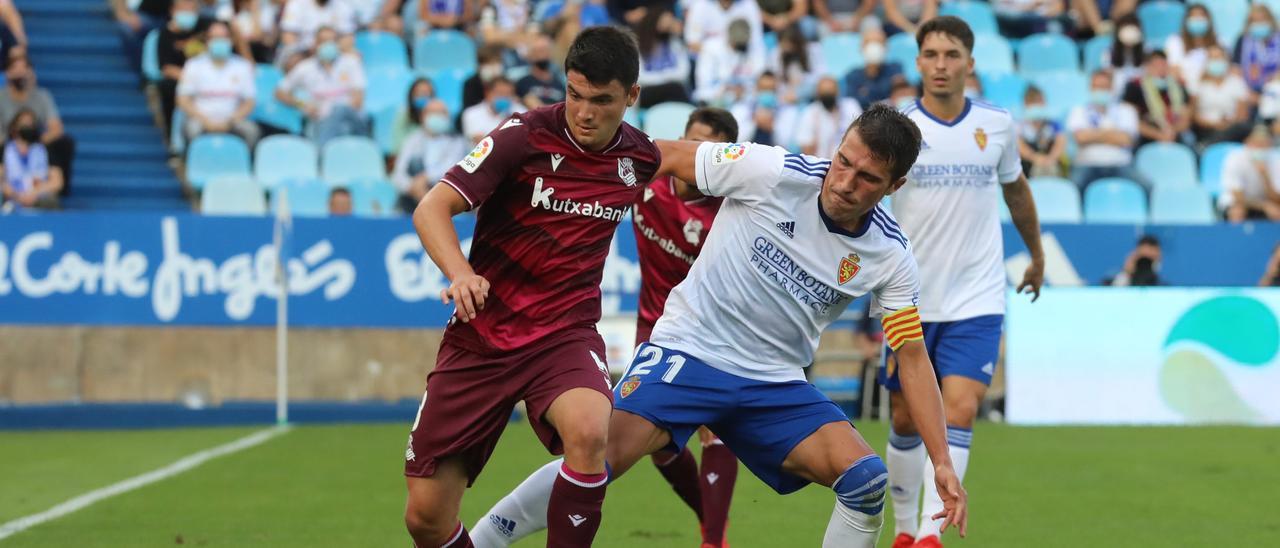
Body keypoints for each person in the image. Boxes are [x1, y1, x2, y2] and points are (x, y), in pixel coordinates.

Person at [479, 103, 969, 548]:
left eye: (867, 178)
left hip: (774, 383)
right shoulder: (771, 172)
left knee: (865, 482)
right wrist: (567, 184)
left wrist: (941, 461)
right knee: (597, 460)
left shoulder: (891, 255)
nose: (844, 182)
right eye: (844, 161)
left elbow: (911, 357)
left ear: (895, 186)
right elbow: (662, 154)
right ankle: (486, 538)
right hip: (691, 351)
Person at [402, 26, 661, 548]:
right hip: (483, 335)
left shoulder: (642, 159)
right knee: (426, 519)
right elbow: (432, 207)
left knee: (590, 433)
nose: (584, 112)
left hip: (563, 334)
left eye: (602, 101)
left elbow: (704, 168)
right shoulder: (522, 135)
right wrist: (460, 273)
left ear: (632, 96)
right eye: (575, 95)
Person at [470, 108, 743, 548]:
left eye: (704, 147)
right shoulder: (647, 181)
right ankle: (712, 526)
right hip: (653, 336)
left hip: (707, 339)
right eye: (688, 141)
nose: (692, 152)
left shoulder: (728, 217)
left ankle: (713, 538)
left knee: (706, 430)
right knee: (650, 449)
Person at [887, 17, 1043, 548]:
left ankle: (930, 535)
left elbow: (1017, 192)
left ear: (970, 64)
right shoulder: (896, 128)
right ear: (918, 62)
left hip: (976, 294)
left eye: (951, 55)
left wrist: (1037, 255)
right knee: (906, 419)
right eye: (930, 54)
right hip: (906, 295)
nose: (940, 64)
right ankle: (905, 528)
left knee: (960, 408)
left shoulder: (997, 125)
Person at [275, 26, 369, 146]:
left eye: (331, 41)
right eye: (324, 41)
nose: (327, 45)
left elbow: (358, 100)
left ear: (337, 43)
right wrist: (302, 103)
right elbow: (279, 92)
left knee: (338, 111)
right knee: (325, 126)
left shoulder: (351, 63)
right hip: (319, 120)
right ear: (316, 44)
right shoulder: (305, 67)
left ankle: (321, 154)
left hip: (350, 118)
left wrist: (330, 110)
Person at [0, 55, 75, 197]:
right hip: (9, 142)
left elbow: (56, 127)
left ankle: (59, 190)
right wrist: (16, 145)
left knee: (64, 142)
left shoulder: (42, 96)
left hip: (37, 141)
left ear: (31, 73)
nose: (20, 73)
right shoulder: (1, 97)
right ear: (8, 72)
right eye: (16, 69)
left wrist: (34, 143)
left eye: (24, 69)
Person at [176, 21, 260, 147]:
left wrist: (230, 121)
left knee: (252, 131)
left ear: (231, 40)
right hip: (201, 119)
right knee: (191, 129)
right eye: (214, 38)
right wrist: (205, 120)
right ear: (207, 41)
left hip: (233, 120)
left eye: (223, 37)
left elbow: (249, 102)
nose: (219, 42)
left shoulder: (242, 66)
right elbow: (183, 100)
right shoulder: (193, 65)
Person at [1066, 69, 1141, 190]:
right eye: (1096, 87)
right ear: (1090, 88)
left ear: (1111, 88)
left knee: (1146, 187)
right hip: (1086, 164)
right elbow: (1080, 138)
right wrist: (1112, 133)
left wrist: (1093, 134)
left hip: (1120, 164)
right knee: (1071, 190)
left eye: (1103, 87)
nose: (1099, 91)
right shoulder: (1078, 110)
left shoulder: (1126, 110)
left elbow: (1126, 140)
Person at [392, 99, 467, 212]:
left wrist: (426, 178)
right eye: (433, 112)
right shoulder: (412, 140)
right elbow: (398, 173)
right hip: (412, 197)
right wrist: (412, 187)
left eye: (441, 113)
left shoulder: (456, 141)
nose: (437, 116)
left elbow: (452, 169)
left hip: (443, 195)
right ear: (423, 116)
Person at [157, 0, 213, 139]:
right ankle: (172, 138)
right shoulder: (165, 34)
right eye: (183, 8)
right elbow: (166, 68)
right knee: (168, 87)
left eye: (192, 8)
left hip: (211, 77)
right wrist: (192, 79)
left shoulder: (207, 28)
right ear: (173, 11)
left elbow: (232, 32)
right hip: (184, 78)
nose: (188, 11)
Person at [1121, 50, 1192, 147]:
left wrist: (1171, 131)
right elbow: (1131, 119)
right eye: (1156, 65)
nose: (1160, 69)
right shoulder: (1134, 87)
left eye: (1163, 65)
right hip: (1147, 138)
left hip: (1175, 135)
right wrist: (1158, 135)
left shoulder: (1178, 86)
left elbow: (1185, 118)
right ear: (1147, 66)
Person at [1189, 45, 1253, 147]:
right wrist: (1214, 124)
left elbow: (1242, 115)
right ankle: (1210, 143)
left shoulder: (1237, 82)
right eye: (1213, 58)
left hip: (1232, 128)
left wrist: (1227, 124)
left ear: (1226, 61)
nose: (1216, 61)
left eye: (1219, 58)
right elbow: (1193, 115)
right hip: (1206, 128)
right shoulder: (1198, 84)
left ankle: (1207, 145)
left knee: (1243, 127)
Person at [0, 109, 62, 210]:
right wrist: (16, 195)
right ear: (14, 127)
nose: (26, 127)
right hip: (12, 198)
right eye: (23, 124)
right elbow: (1, 180)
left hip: (39, 198)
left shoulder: (45, 149)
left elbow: (57, 182)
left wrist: (34, 194)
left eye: (30, 124)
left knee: (51, 202)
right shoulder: (4, 149)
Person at [1219, 124, 1280, 222]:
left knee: (1277, 211)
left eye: (1264, 143)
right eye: (1256, 143)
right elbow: (1238, 197)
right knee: (1237, 211)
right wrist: (1264, 206)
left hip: (1267, 202)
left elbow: (1277, 199)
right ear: (1247, 142)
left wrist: (1265, 176)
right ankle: (1235, 236)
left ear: (1270, 144)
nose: (1260, 147)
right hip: (1238, 202)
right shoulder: (1235, 158)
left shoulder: (1276, 159)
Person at [796, 76, 862, 157]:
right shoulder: (810, 112)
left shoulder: (850, 106)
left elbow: (861, 136)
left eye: (830, 92)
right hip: (820, 164)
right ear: (818, 94)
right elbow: (805, 146)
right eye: (824, 93)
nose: (827, 95)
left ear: (837, 91)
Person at [844, 26, 906, 108]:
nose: (874, 46)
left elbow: (901, 100)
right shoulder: (853, 76)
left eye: (878, 42)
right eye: (869, 43)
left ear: (886, 47)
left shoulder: (895, 69)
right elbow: (852, 106)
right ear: (861, 48)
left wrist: (866, 92)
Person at [1018, 86, 1067, 179]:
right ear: (1025, 104)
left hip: (1050, 161)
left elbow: (1060, 142)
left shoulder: (1053, 124)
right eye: (1032, 102)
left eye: (1039, 102)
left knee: (1052, 168)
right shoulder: (1021, 126)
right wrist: (1035, 158)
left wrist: (1051, 158)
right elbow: (1019, 146)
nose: (1036, 105)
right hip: (1029, 164)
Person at [1164, 3, 1219, 87]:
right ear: (1186, 20)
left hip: (1210, 89)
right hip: (1183, 88)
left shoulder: (1218, 41)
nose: (1197, 19)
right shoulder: (1175, 41)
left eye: (1201, 16)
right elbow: (1174, 70)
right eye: (1193, 16)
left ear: (1208, 20)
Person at [461, 76, 524, 143]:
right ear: (487, 93)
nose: (504, 97)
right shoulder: (471, 114)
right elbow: (481, 143)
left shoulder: (521, 112)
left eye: (508, 94)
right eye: (500, 93)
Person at [1234, 3, 1280, 93]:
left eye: (1262, 20)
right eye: (1254, 21)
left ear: (1271, 21)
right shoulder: (1242, 40)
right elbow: (1235, 70)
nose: (1259, 24)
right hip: (1248, 93)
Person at [515, 35, 566, 109]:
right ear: (531, 55)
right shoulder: (523, 83)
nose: (542, 55)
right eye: (539, 51)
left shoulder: (560, 84)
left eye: (546, 50)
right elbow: (533, 106)